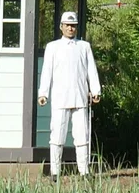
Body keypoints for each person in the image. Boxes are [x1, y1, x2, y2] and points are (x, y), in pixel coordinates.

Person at [37, 10, 101, 179]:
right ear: (61, 27)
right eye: (68, 26)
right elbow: (47, 72)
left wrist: (95, 90)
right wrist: (43, 93)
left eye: (73, 26)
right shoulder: (53, 47)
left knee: (82, 137)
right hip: (59, 98)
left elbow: (91, 70)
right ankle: (55, 171)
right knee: (57, 136)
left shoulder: (84, 46)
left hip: (80, 97)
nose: (71, 29)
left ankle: (84, 171)